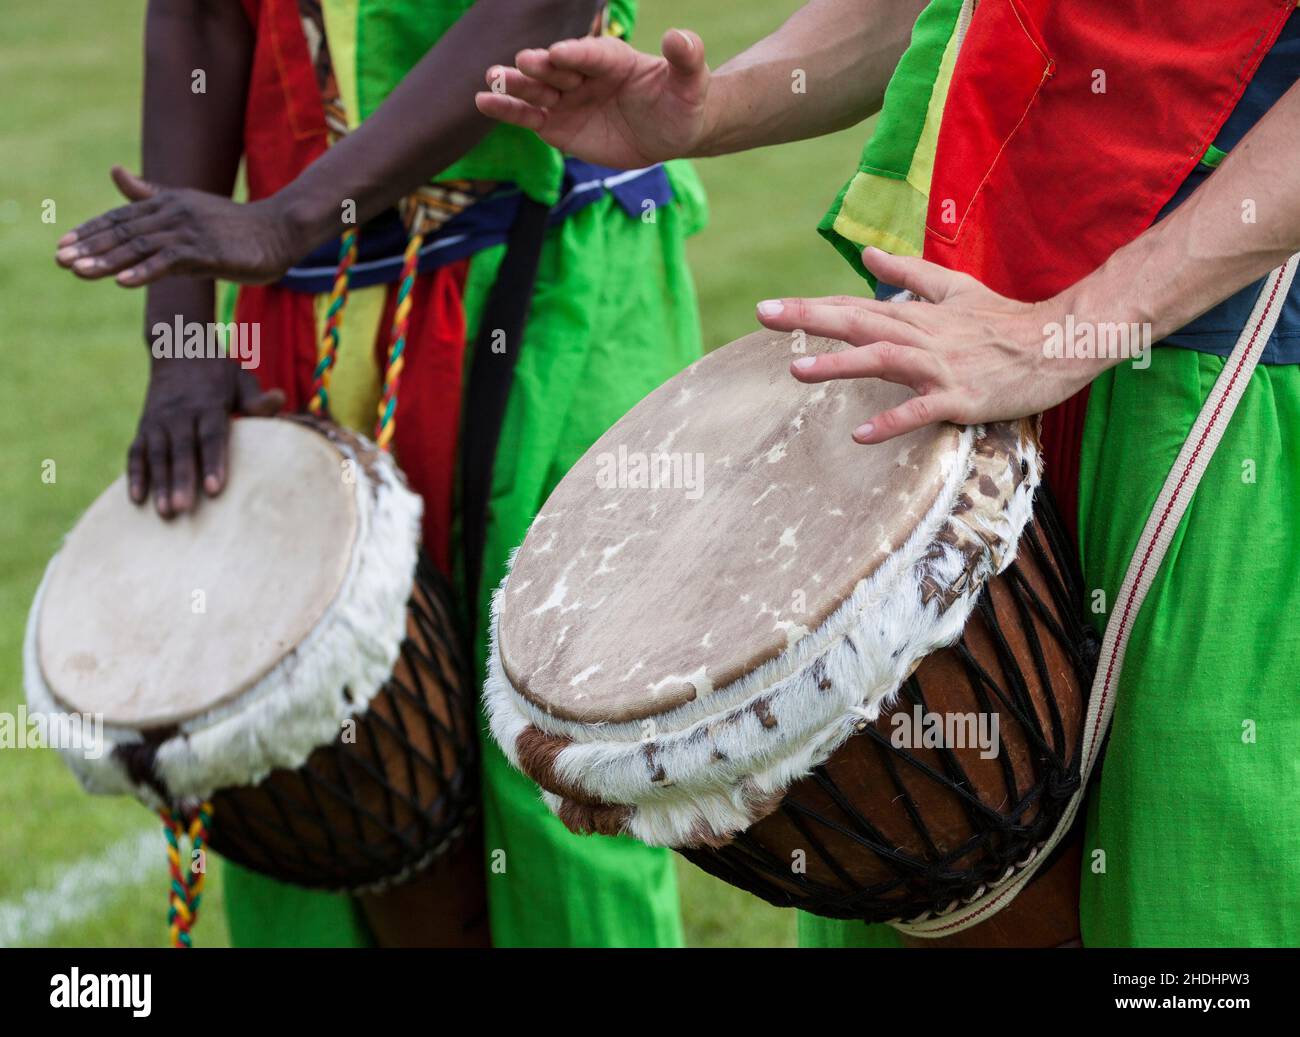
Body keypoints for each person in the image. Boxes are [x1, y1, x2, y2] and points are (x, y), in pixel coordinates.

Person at [472, 0, 1300, 947]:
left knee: (1193, 911)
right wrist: (715, 107)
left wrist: (1064, 333)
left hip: (1197, 364)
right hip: (950, 334)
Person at [55, 0, 705, 948]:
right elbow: (197, 17)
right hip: (297, 297)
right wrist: (184, 342)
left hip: (542, 271)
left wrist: (287, 219)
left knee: (561, 766)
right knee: (293, 766)